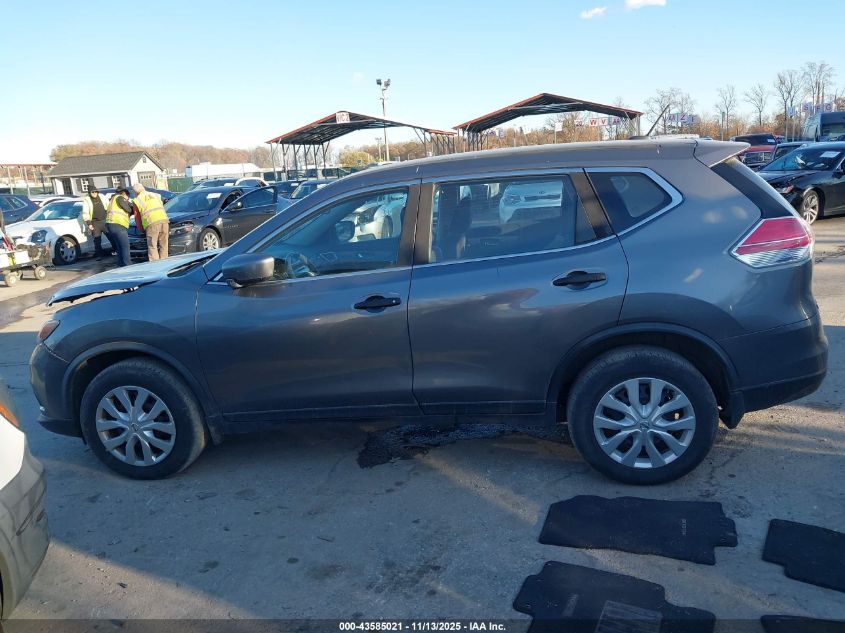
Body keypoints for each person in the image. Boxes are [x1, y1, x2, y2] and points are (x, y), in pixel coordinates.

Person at [132, 183, 169, 261]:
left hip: (151, 223)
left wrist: (141, 229)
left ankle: (155, 264)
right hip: (164, 220)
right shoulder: (156, 195)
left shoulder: (137, 200)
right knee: (164, 244)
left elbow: (137, 217)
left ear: (135, 192)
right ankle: (165, 262)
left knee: (152, 246)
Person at [104, 188, 133, 267]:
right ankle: (128, 265)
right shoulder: (119, 198)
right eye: (127, 198)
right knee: (125, 246)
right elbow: (128, 209)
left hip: (111, 225)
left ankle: (121, 265)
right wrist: (132, 207)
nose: (127, 200)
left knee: (119, 246)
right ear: (124, 194)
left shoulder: (112, 199)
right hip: (118, 224)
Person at [80, 185, 108, 259]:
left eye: (96, 191)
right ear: (89, 193)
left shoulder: (102, 197)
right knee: (97, 240)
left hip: (105, 221)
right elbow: (85, 213)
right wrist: (89, 224)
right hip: (95, 222)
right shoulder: (87, 200)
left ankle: (116, 251)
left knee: (111, 236)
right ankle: (99, 255)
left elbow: (108, 206)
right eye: (93, 192)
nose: (95, 193)